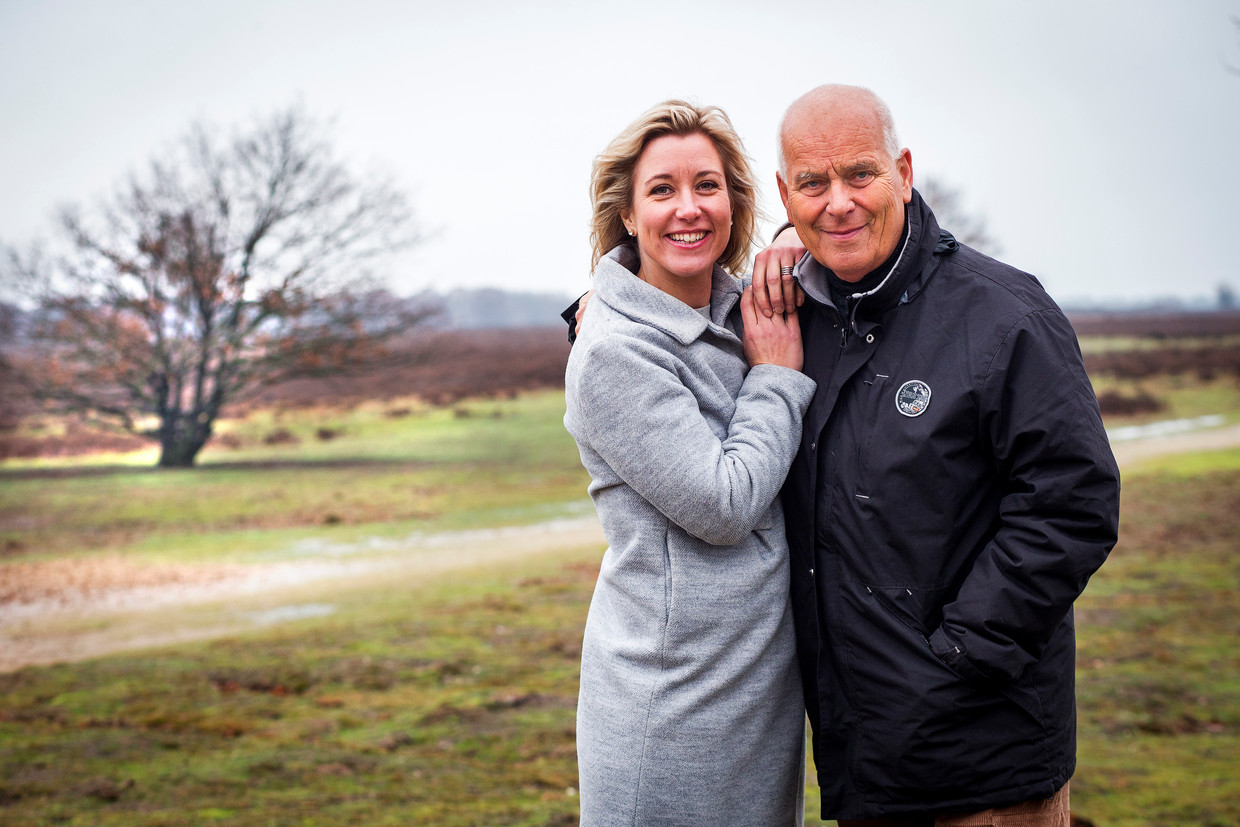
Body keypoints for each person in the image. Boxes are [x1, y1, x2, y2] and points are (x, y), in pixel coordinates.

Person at [750, 84, 1122, 825]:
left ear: (904, 171)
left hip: (983, 762)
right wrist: (598, 299)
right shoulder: (792, 317)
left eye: (860, 174)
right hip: (863, 763)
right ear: (784, 194)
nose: (839, 203)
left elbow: (1072, 500)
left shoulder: (1002, 312)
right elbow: (671, 278)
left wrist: (955, 661)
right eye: (814, 184)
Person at [563, 100, 816, 826]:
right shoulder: (613, 351)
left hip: (752, 695)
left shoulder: (742, 313)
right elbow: (724, 504)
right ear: (628, 212)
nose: (689, 209)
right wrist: (774, 378)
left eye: (708, 185)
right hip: (672, 706)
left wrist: (789, 248)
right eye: (662, 189)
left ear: (736, 203)